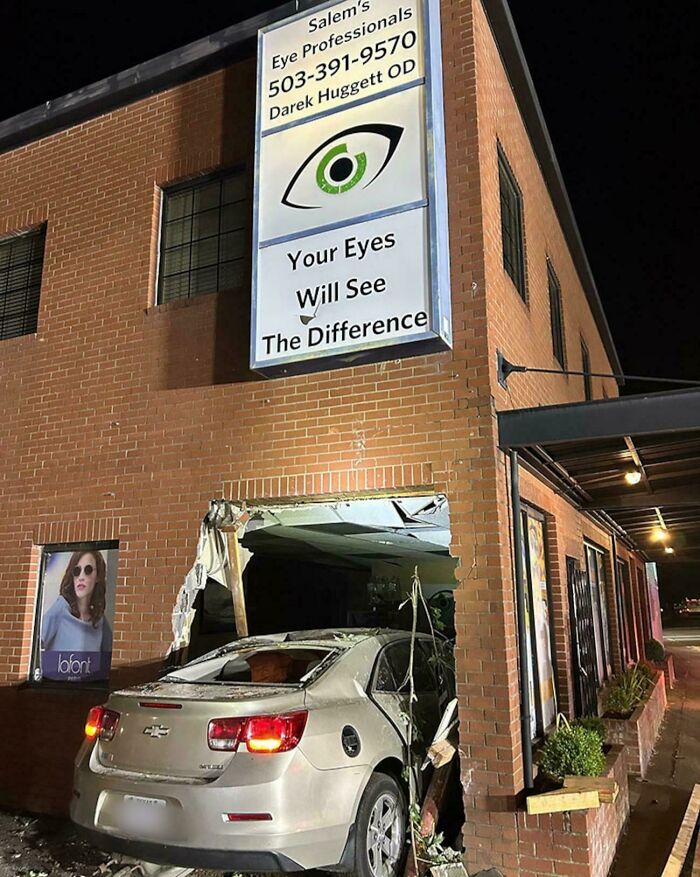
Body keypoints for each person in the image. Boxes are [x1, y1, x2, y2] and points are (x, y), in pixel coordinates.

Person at [41, 550, 113, 654]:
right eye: (76, 571)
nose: (81, 577)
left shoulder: (100, 622)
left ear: (97, 576)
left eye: (88, 570)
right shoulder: (61, 608)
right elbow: (34, 642)